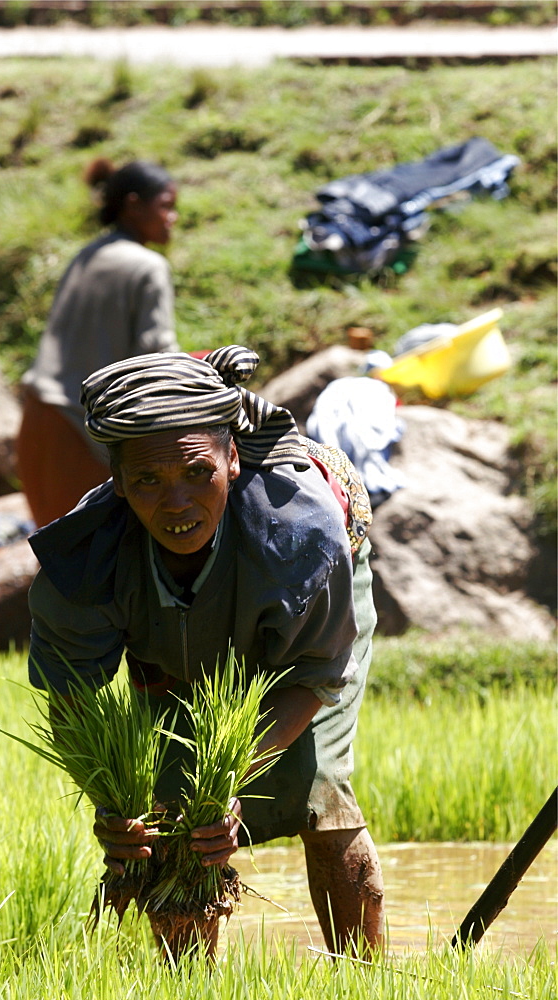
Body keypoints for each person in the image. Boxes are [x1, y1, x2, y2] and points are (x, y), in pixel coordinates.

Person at [26, 345, 385, 958]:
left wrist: (228, 779)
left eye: (199, 473)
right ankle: (188, 983)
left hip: (299, 639)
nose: (177, 503)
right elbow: (72, 697)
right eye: (147, 481)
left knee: (317, 787)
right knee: (168, 810)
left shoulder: (303, 537)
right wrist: (112, 799)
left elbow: (314, 676)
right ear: (117, 483)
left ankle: (364, 977)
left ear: (233, 459)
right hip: (170, 648)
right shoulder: (88, 559)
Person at [17, 159, 179, 528]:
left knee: (61, 563)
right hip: (80, 435)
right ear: (134, 204)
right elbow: (159, 361)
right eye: (166, 205)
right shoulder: (147, 266)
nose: (173, 217)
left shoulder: (86, 255)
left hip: (36, 423)